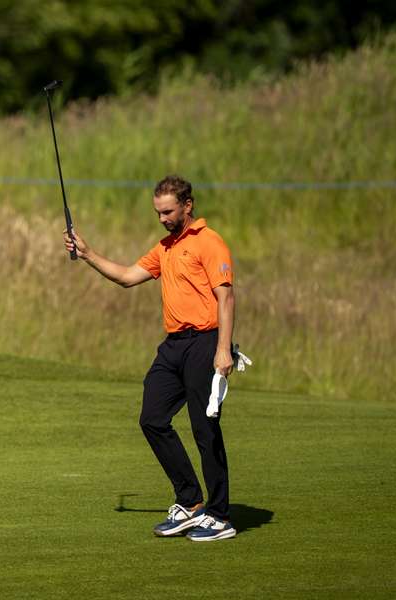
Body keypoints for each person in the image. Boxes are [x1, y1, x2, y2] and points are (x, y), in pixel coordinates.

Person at [64, 175, 237, 541]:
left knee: (204, 429)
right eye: (158, 212)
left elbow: (226, 298)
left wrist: (224, 349)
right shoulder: (165, 248)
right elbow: (127, 277)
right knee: (152, 418)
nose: (162, 218)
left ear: (187, 206)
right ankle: (191, 503)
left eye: (168, 211)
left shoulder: (209, 242)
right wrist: (88, 253)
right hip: (173, 345)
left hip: (205, 342)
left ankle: (220, 515)